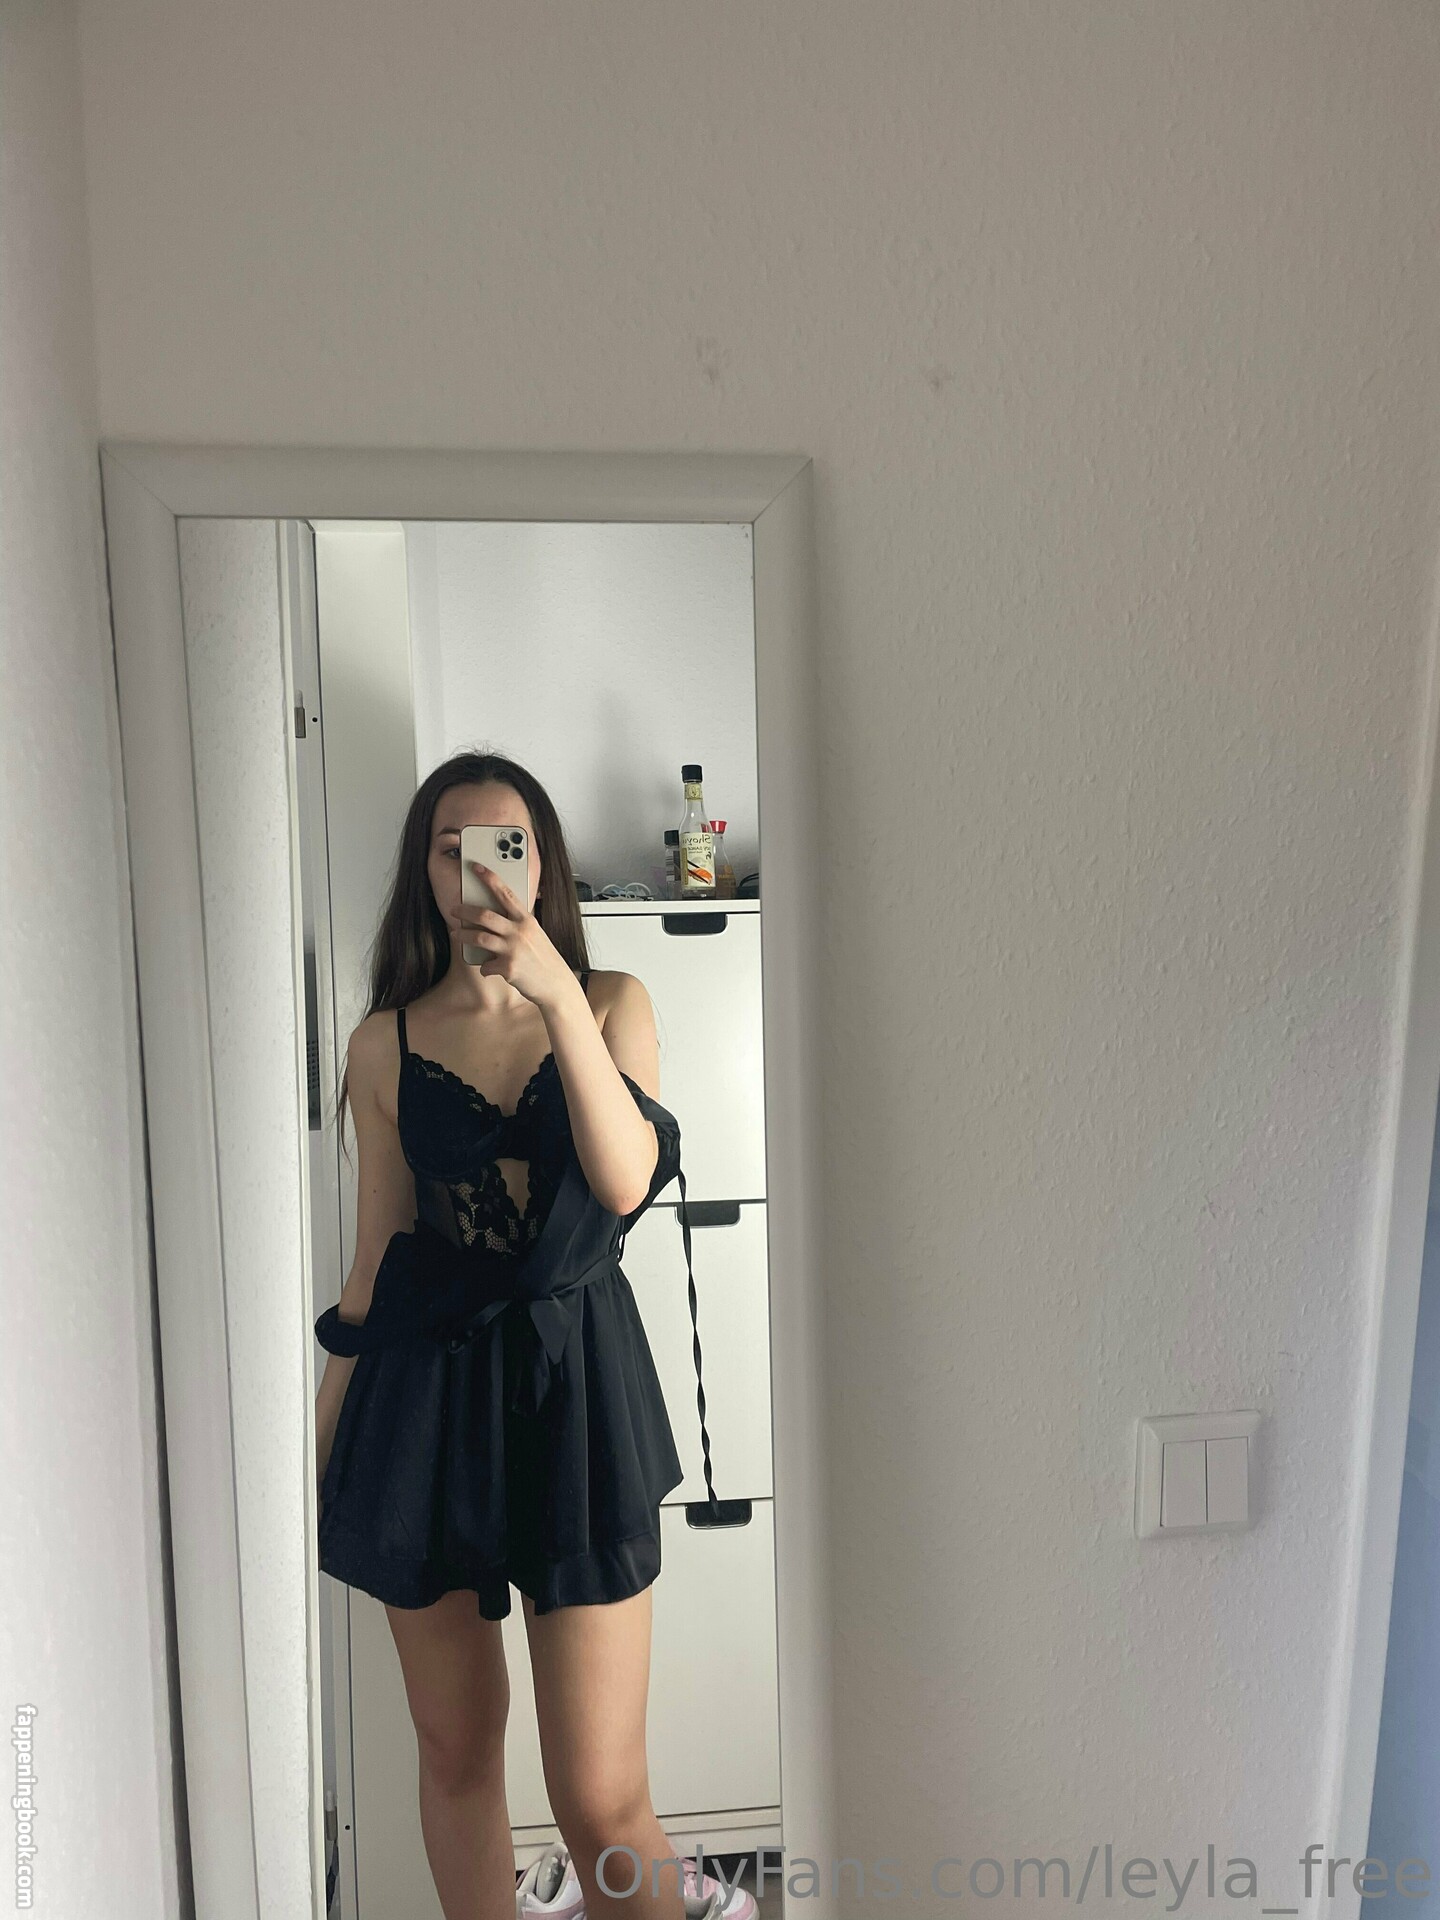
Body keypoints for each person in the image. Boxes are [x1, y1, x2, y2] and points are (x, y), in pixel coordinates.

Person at [313, 750, 730, 1920]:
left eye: (502, 846)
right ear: (423, 870)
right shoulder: (384, 1042)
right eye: (448, 848)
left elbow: (627, 1178)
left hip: (579, 1389)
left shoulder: (611, 1003)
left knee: (601, 1793)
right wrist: (323, 1442)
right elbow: (376, 1262)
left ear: (541, 866)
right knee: (456, 1756)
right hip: (425, 1404)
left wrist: (551, 990)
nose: (474, 872)